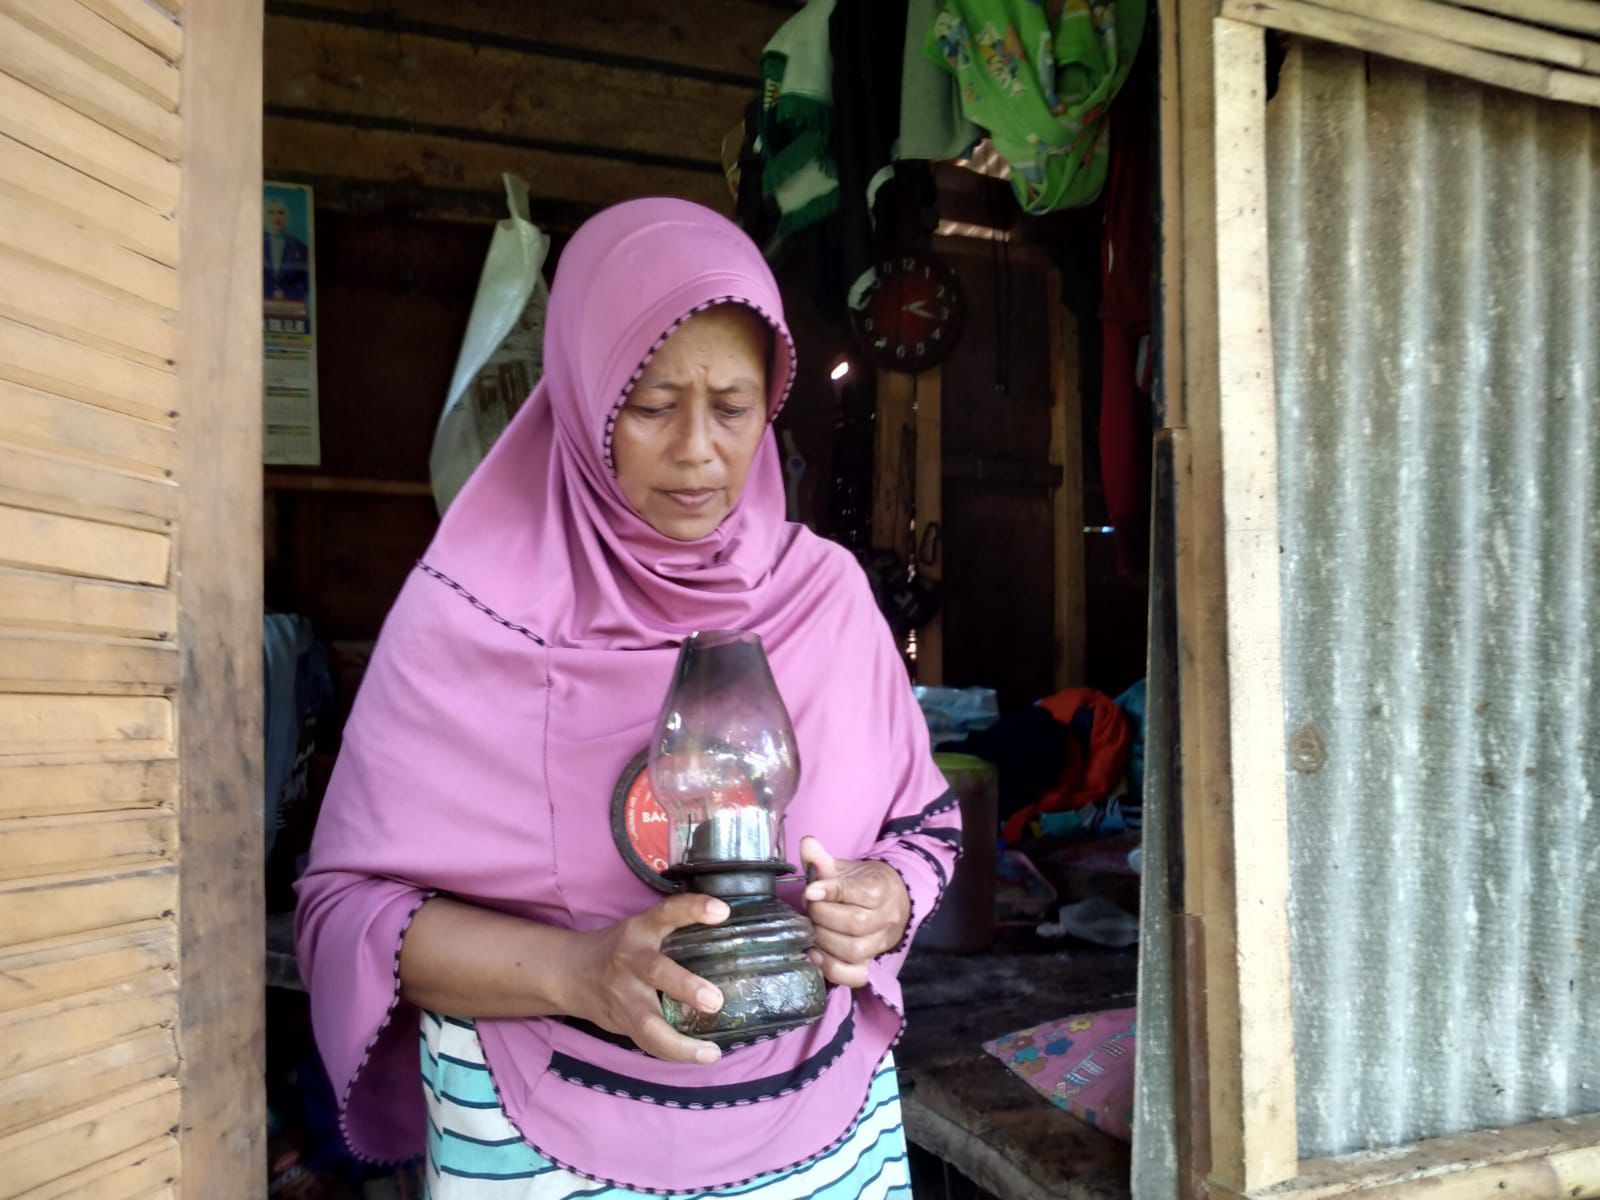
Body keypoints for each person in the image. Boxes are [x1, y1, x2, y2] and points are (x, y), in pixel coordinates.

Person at [295, 198, 960, 1198]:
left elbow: (924, 824)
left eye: (733, 408)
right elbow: (346, 914)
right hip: (538, 1134)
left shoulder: (821, 595)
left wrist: (888, 899)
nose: (698, 449)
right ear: (581, 396)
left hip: (821, 1129)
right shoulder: (470, 617)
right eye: (650, 405)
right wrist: (583, 971)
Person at [264, 196, 310, 304]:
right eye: (271, 212)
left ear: (287, 217)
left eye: (281, 212)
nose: (276, 217)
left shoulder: (301, 248)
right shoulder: (254, 245)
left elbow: (307, 284)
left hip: (292, 308)